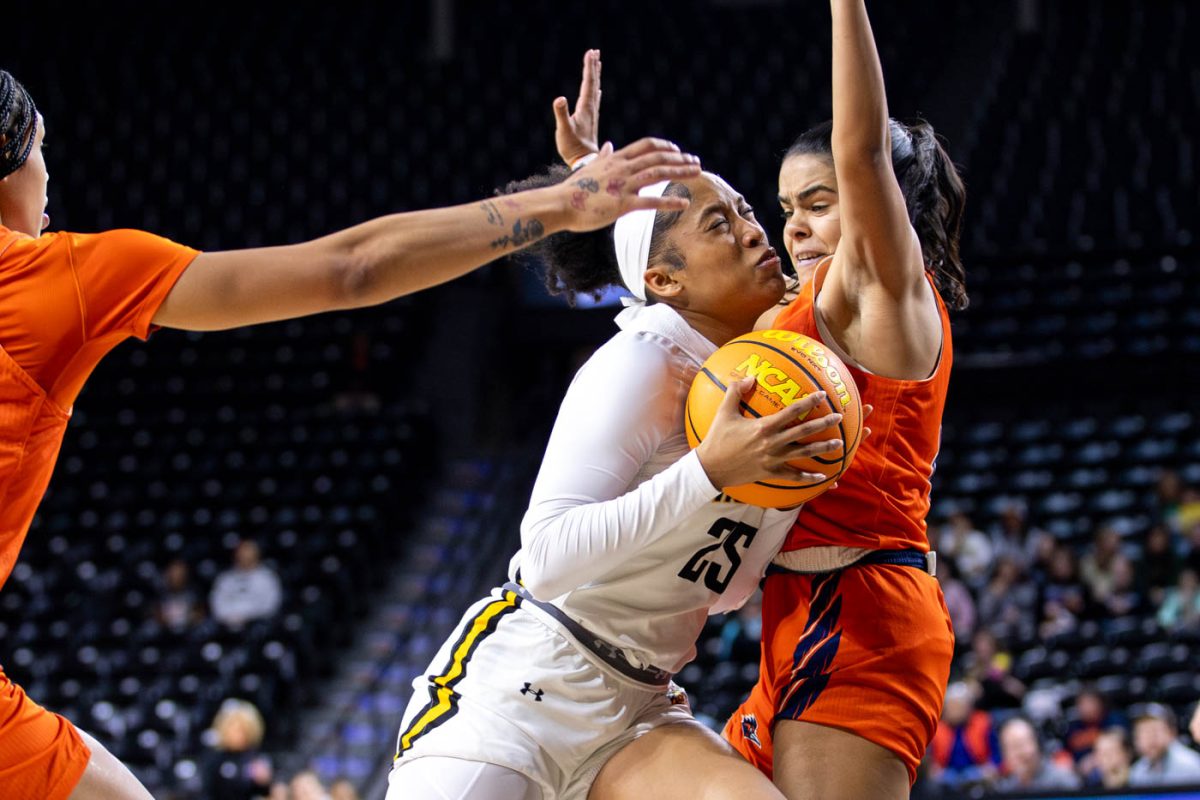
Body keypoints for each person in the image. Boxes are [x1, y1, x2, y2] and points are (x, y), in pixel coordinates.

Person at [0, 66, 701, 800]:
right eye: (43, 149)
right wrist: (564, 202)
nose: (50, 176)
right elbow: (352, 269)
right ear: (10, 155)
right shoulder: (56, 281)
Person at [551, 5, 967, 793]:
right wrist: (591, 188)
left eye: (820, 203)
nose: (797, 229)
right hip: (796, 606)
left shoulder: (880, 289)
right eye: (785, 211)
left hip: (864, 605)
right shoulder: (786, 311)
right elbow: (670, 266)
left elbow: (862, 150)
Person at [387, 161, 849, 800]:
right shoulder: (644, 358)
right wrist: (708, 473)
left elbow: (726, 592)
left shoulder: (765, 379)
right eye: (720, 224)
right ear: (664, 280)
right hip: (526, 688)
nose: (752, 232)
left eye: (745, 210)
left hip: (641, 706)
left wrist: (780, 490)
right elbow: (546, 558)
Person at [927, 682, 999, 791]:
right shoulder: (937, 729)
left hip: (977, 771)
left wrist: (991, 767)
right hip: (948, 773)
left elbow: (996, 753)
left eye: (958, 705)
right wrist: (933, 770)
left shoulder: (983, 723)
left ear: (968, 706)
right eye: (951, 706)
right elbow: (931, 761)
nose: (954, 711)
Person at [201, 699, 273, 800]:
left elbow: (263, 791)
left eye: (242, 730)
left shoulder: (256, 759)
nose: (238, 735)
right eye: (234, 729)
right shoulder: (215, 757)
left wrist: (264, 782)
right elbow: (206, 790)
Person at [210, 539, 283, 630]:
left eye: (248, 552)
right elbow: (217, 604)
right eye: (241, 553)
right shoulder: (225, 579)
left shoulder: (267, 578)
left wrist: (247, 617)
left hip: (258, 625)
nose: (244, 556)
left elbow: (271, 605)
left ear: (257, 555)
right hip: (227, 624)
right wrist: (231, 617)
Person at [993, 717, 1081, 793]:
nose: (1018, 754)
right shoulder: (1006, 789)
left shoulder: (1063, 780)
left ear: (1037, 744)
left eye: (1020, 745)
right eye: (1011, 747)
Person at [1130, 703, 1200, 786]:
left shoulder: (1190, 766)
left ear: (1171, 732)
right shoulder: (1137, 772)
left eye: (1154, 731)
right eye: (1143, 732)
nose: (1150, 738)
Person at [154, 557, 206, 634]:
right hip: (165, 633)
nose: (177, 575)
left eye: (180, 572)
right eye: (174, 572)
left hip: (189, 632)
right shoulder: (159, 591)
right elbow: (157, 614)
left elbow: (199, 615)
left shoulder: (194, 591)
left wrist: (187, 619)